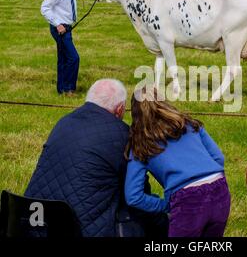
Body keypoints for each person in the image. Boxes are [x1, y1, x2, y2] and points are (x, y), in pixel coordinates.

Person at [25, 79, 168, 237]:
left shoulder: (64, 122)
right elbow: (139, 196)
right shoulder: (123, 134)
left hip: (32, 224)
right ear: (120, 110)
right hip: (79, 229)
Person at [125, 87, 231, 237]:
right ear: (164, 101)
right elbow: (219, 157)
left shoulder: (140, 144)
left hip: (186, 198)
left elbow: (133, 196)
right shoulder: (189, 123)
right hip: (219, 188)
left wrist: (165, 205)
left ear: (135, 113)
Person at [41, 0, 107, 96]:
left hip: (66, 28)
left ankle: (62, 89)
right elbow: (45, 8)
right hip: (60, 28)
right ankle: (69, 89)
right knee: (73, 58)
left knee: (64, 59)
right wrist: (57, 24)